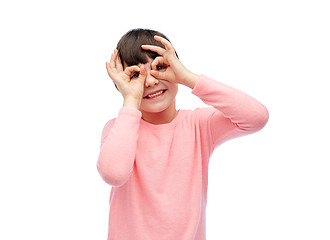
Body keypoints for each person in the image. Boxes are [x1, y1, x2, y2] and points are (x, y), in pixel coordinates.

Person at [97, 28, 269, 240]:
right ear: (119, 85)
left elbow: (256, 117)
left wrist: (188, 78)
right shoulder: (118, 128)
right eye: (135, 75)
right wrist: (131, 99)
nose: (150, 82)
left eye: (160, 67)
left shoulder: (199, 125)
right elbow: (114, 173)